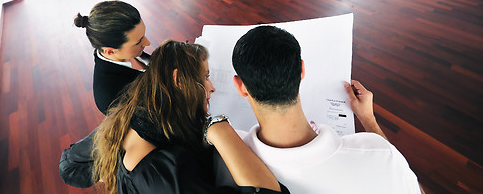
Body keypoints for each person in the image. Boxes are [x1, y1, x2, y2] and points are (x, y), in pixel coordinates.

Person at [217, 25, 422, 193]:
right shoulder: (379, 153)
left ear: (240, 86)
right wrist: (368, 119)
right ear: (302, 70)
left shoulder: (224, 160)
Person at [93, 40, 289, 194]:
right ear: (178, 79)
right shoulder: (163, 172)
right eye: (205, 77)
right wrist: (219, 129)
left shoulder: (137, 114)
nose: (212, 87)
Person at [59, 1, 151, 187]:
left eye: (143, 36)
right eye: (139, 41)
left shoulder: (122, 51)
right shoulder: (109, 96)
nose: (147, 43)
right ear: (109, 51)